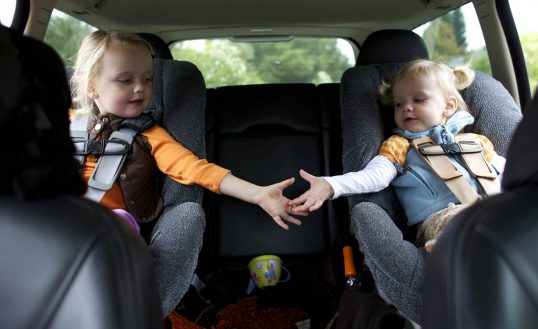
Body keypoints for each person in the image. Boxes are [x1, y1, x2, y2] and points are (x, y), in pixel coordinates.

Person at [70, 30, 305, 318]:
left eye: (147, 79)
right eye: (126, 80)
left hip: (113, 233)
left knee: (114, 229)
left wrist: (258, 194)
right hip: (58, 221)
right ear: (92, 86)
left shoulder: (149, 135)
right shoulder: (63, 124)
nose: (140, 89)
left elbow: (195, 169)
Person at [289, 59, 506, 251]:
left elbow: (509, 172)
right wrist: (330, 186)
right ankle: (451, 249)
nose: (406, 108)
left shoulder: (476, 142)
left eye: (418, 100)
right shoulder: (400, 145)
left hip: (489, 210)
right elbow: (374, 176)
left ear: (448, 106)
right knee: (457, 221)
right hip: (438, 220)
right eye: (399, 104)